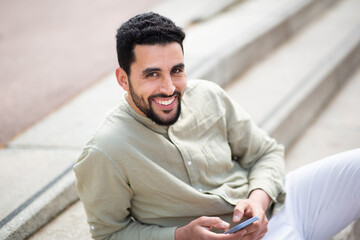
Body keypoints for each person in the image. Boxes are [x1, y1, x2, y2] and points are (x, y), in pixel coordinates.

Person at [73, 12, 360, 240]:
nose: (169, 87)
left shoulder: (208, 95)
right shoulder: (105, 151)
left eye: (177, 70)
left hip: (282, 207)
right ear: (123, 79)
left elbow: (265, 152)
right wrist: (179, 236)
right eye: (152, 75)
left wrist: (258, 201)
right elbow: (109, 234)